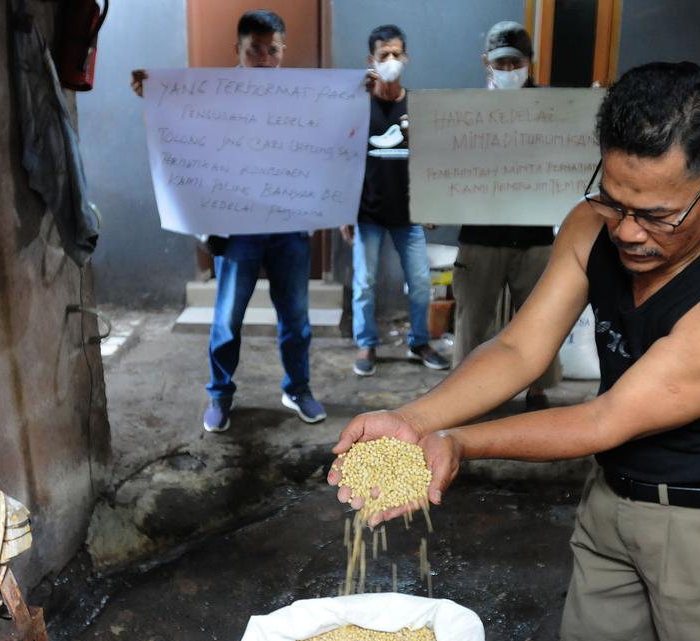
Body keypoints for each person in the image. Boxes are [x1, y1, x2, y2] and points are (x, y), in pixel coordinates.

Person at [331, 62, 700, 641]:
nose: (628, 232)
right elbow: (520, 348)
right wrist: (411, 420)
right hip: (612, 501)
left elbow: (601, 419)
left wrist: (458, 443)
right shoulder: (590, 226)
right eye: (614, 199)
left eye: (656, 214)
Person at [131, 10, 327, 432]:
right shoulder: (212, 95)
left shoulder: (304, 98)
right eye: (254, 50)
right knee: (226, 320)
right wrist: (153, 94)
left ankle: (298, 389)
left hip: (289, 225)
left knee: (295, 317)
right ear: (236, 49)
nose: (264, 59)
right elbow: (175, 122)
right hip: (236, 228)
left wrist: (358, 96)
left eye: (273, 50)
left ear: (283, 50)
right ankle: (220, 395)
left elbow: (333, 136)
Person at [453, 21, 561, 411]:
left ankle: (537, 388)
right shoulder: (461, 115)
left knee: (540, 318)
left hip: (534, 235)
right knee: (471, 319)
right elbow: (445, 166)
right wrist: (433, 203)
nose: (509, 68)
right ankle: (464, 393)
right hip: (480, 234)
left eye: (517, 61)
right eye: (502, 62)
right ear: (486, 63)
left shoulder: (555, 112)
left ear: (530, 63)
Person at [339, 24, 450, 377]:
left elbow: (431, 158)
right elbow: (344, 157)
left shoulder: (417, 106)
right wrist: (343, 210)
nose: (390, 60)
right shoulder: (358, 106)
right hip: (367, 213)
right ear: (370, 59)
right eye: (383, 54)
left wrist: (432, 203)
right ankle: (366, 343)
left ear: (406, 58)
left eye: (396, 54)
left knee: (419, 281)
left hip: (409, 213)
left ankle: (419, 341)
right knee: (364, 283)